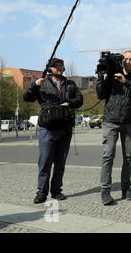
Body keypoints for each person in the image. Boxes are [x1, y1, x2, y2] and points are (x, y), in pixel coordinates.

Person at [23, 58, 83, 204]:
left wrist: (69, 102)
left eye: (61, 65)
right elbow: (27, 98)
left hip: (65, 126)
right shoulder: (43, 83)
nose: (59, 68)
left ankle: (56, 191)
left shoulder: (70, 83)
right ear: (50, 68)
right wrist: (34, 86)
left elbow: (80, 99)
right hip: (48, 127)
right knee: (45, 161)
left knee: (60, 162)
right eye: (56, 66)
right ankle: (41, 192)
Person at [96, 50, 131, 205]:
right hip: (110, 120)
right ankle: (105, 191)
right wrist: (100, 77)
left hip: (128, 121)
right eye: (125, 59)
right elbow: (101, 94)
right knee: (108, 156)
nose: (128, 61)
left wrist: (126, 81)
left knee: (128, 157)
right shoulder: (112, 74)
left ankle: (126, 188)